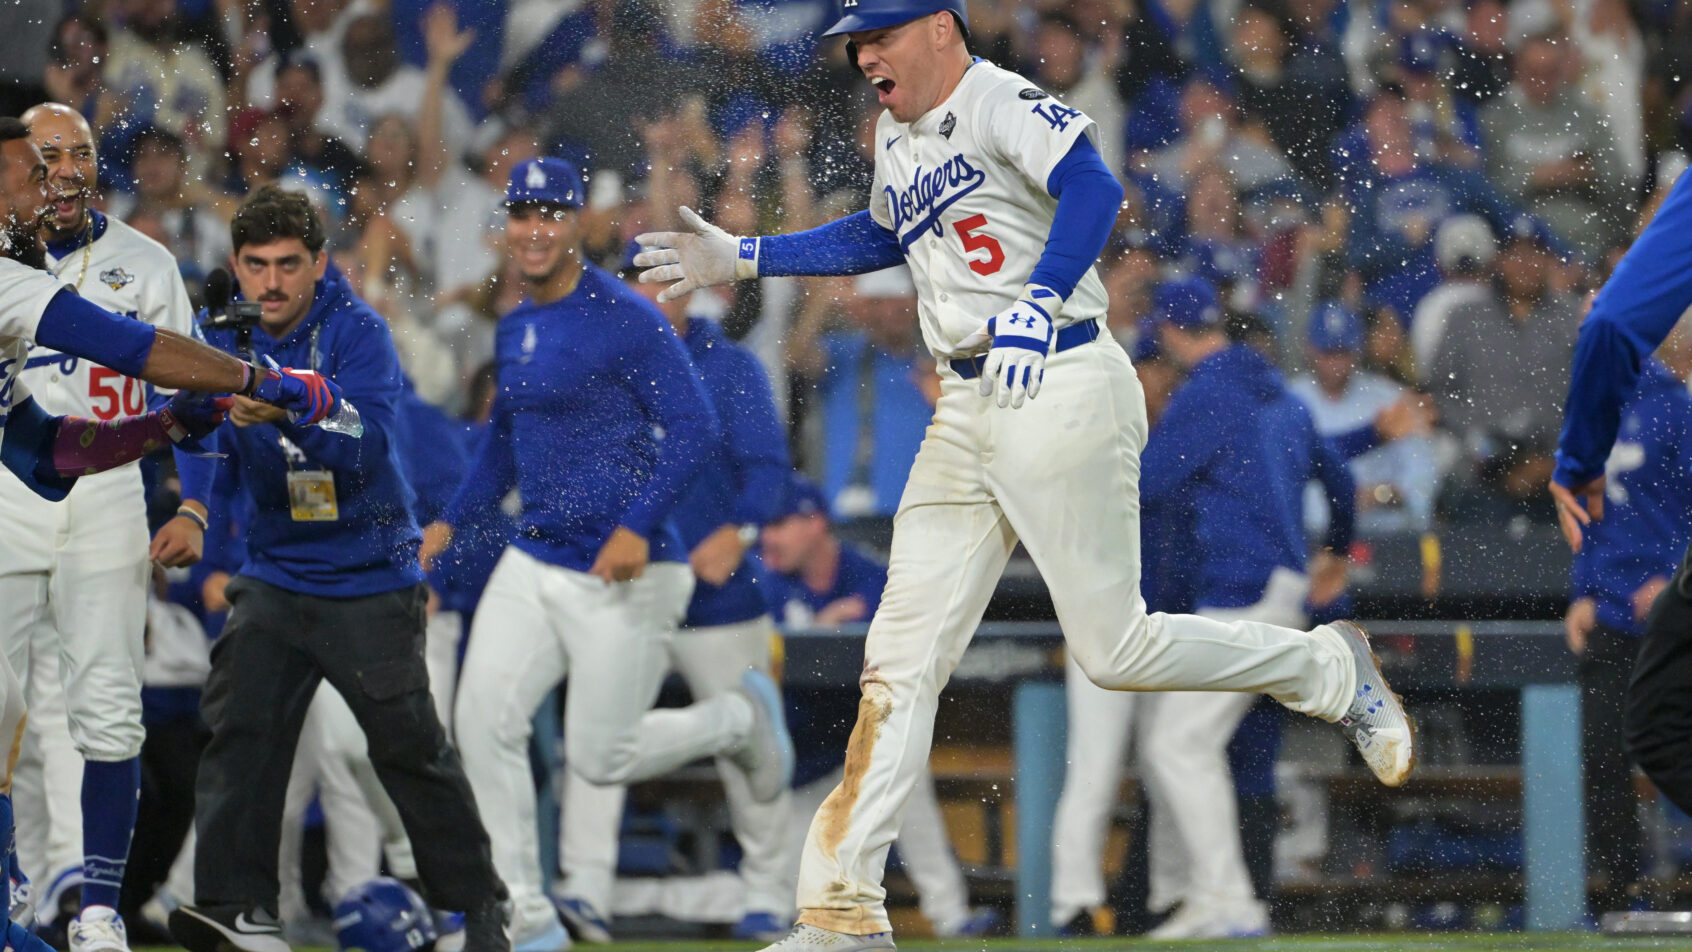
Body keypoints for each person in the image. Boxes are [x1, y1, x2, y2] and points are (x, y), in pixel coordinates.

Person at [633, 4, 1414, 948]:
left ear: (940, 30)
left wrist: (1041, 298)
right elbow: (888, 233)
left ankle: (1327, 666)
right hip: (965, 403)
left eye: (881, 35)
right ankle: (842, 913)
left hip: (1059, 372)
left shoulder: (999, 97)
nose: (865, 54)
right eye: (856, 43)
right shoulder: (893, 130)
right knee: (898, 662)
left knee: (1115, 650)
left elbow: (1093, 189)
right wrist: (751, 252)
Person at [421, 158, 793, 952]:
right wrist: (451, 525)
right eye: (522, 214)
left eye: (552, 213)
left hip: (631, 567)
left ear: (579, 225)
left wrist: (637, 523)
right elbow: (503, 444)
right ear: (507, 226)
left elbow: (695, 428)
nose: (535, 229)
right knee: (482, 722)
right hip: (538, 558)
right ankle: (524, 916)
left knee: (601, 756)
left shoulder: (628, 315)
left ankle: (737, 719)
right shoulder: (516, 324)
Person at [0, 114, 330, 952]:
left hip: (88, 497)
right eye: (30, 170)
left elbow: (50, 451)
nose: (49, 182)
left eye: (66, 162)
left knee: (87, 709)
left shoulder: (112, 263)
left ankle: (69, 910)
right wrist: (264, 379)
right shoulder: (12, 280)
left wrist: (169, 440)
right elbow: (129, 346)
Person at [163, 185, 509, 952]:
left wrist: (284, 402)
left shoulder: (359, 334)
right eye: (257, 265)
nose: (273, 282)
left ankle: (477, 906)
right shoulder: (218, 335)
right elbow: (191, 429)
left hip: (368, 578)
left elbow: (365, 442)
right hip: (277, 572)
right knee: (236, 730)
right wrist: (193, 502)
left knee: (407, 749)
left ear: (320, 264)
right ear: (236, 266)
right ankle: (235, 908)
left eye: (290, 264)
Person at [0, 101, 207, 952]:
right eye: (44, 155)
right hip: (10, 492)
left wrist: (193, 502)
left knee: (109, 709)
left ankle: (97, 911)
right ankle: (24, 894)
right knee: (9, 707)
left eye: (78, 152)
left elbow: (183, 402)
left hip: (107, 488)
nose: (64, 169)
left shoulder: (146, 262)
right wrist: (259, 379)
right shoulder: (10, 262)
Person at [554, 275, 796, 944]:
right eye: (637, 285)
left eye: (662, 286)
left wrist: (741, 529)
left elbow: (771, 469)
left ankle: (770, 893)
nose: (649, 298)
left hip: (718, 594)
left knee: (752, 752)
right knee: (599, 738)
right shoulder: (599, 364)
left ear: (689, 294)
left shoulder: (729, 366)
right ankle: (585, 890)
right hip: (629, 589)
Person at [1136, 276, 1356, 939]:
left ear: (1172, 334)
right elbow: (1339, 478)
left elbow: (1145, 483)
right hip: (1275, 588)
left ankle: (1226, 900)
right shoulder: (1280, 394)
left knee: (1177, 743)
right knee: (1180, 743)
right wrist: (1337, 550)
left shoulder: (1207, 393)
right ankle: (1202, 894)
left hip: (1243, 591)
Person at [760, 476, 997, 940]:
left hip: (863, 739)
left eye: (782, 523)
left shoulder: (868, 575)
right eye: (766, 525)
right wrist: (822, 631)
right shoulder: (765, 583)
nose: (770, 537)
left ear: (816, 524)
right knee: (786, 896)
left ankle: (951, 917)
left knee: (911, 781)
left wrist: (832, 638)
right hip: (798, 757)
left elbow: (905, 652)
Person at [1564, 320, 1692, 915]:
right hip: (1613, 610)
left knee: (1672, 743)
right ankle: (1618, 890)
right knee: (1603, 753)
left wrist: (1674, 577)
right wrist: (1582, 589)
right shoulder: (1601, 406)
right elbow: (1585, 507)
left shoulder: (1677, 409)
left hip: (1673, 610)